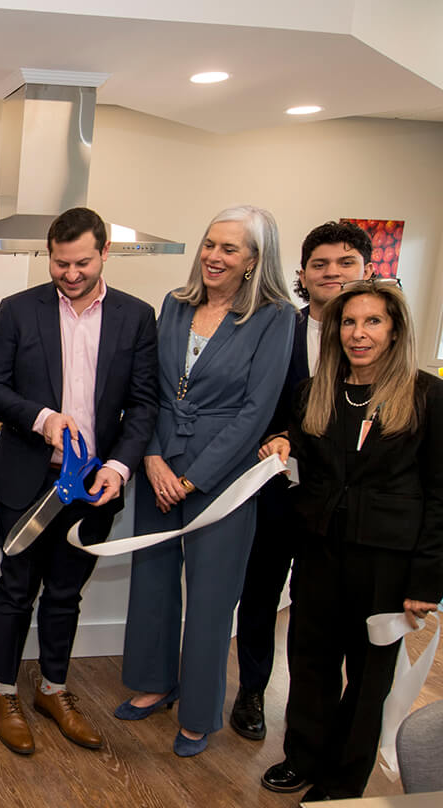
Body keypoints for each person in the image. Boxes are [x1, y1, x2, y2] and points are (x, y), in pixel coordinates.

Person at [0, 207, 158, 756]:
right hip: (29, 478)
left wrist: (119, 467)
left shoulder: (136, 316)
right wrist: (42, 418)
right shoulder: (17, 310)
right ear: (48, 256)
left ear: (105, 253)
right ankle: (5, 693)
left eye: (82, 262)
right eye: (60, 263)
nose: (71, 273)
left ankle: (53, 690)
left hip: (93, 488)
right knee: (14, 590)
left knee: (65, 594)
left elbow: (144, 404)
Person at [117, 205, 295, 757]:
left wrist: (193, 477)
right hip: (158, 464)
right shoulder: (174, 304)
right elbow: (146, 389)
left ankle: (197, 713)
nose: (214, 256)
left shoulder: (275, 316)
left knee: (212, 599)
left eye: (230, 249)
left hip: (222, 476)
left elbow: (256, 410)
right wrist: (151, 456)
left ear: (253, 261)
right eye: (210, 244)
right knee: (151, 583)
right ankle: (153, 683)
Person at [261, 280, 442, 800]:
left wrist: (428, 580)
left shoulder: (429, 397)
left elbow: (440, 495)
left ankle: (343, 779)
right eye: (348, 322)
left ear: (394, 330)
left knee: (368, 676)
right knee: (310, 659)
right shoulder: (315, 391)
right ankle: (303, 756)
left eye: (372, 322)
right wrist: (280, 439)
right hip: (319, 549)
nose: (358, 334)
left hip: (389, 560)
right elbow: (304, 450)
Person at [230, 222, 371, 740]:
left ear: (366, 271)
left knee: (320, 607)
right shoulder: (276, 328)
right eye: (320, 264)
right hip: (275, 490)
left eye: (345, 263)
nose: (332, 273)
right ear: (303, 275)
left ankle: (313, 709)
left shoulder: (377, 337)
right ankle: (251, 692)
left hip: (342, 503)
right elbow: (252, 400)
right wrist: (276, 437)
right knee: (261, 593)